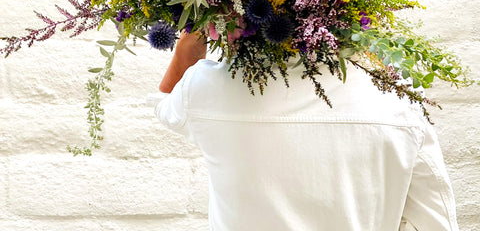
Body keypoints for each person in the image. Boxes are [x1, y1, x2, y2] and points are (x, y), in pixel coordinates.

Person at [149, 31, 459, 231]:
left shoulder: (206, 89)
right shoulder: (399, 98)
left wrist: (185, 53)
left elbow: (165, 105)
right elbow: (437, 223)